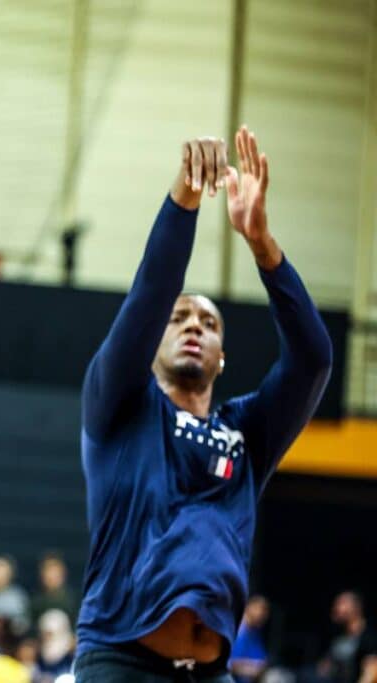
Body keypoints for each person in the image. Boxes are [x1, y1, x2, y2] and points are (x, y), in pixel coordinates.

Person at [74, 126, 333, 682]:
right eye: (180, 317)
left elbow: (313, 358)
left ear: (220, 357)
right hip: (120, 660)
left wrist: (263, 245)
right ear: (151, 345)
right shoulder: (120, 405)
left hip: (212, 672)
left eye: (210, 323)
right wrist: (185, 198)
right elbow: (149, 293)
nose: (194, 325)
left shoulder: (247, 432)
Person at [315, 591, 377, 683]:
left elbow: (371, 673)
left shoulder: (369, 637)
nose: (336, 608)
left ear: (356, 608)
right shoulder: (337, 636)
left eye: (342, 603)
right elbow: (324, 668)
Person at [229, 595, 269, 683]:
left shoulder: (255, 632)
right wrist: (249, 668)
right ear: (249, 608)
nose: (264, 615)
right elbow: (226, 664)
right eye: (260, 609)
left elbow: (262, 661)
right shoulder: (233, 629)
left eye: (265, 611)